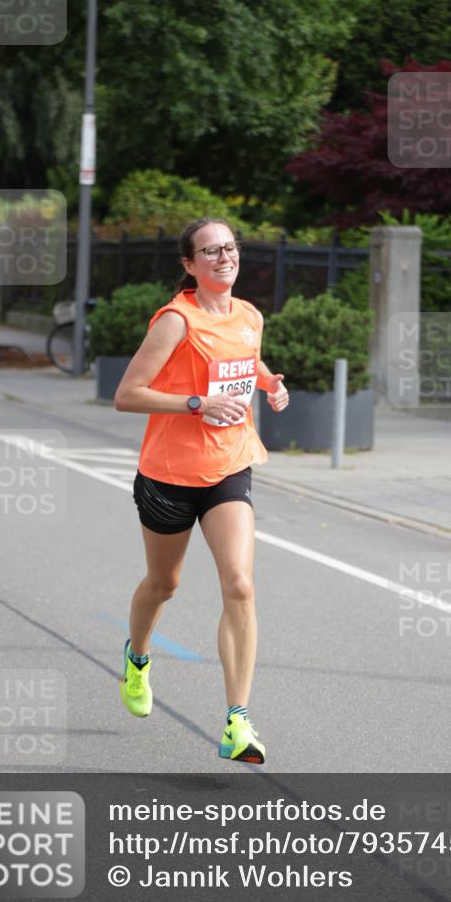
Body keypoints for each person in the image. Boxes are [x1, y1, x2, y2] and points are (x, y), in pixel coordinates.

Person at [114, 217, 289, 763]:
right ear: (189, 265)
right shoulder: (175, 320)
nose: (223, 257)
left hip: (229, 465)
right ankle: (138, 657)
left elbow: (243, 360)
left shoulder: (250, 315)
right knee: (163, 584)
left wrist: (268, 382)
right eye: (210, 251)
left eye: (229, 248)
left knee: (240, 585)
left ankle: (238, 720)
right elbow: (128, 394)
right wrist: (196, 404)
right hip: (169, 473)